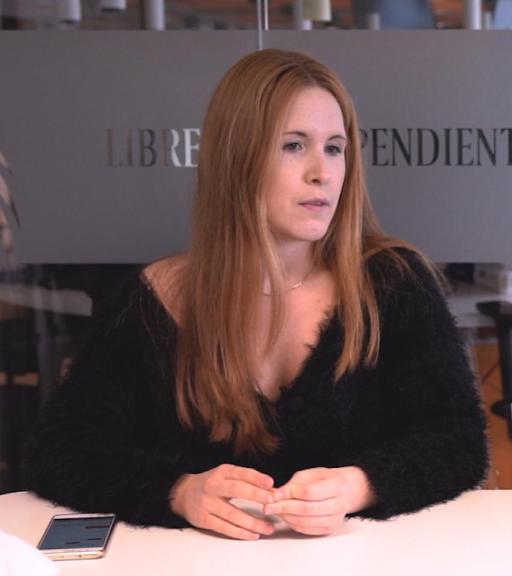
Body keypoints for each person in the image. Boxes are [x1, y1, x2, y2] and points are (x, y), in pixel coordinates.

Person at [25, 49, 488, 540]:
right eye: (293, 146)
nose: (323, 172)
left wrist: (358, 486)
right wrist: (177, 492)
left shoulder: (393, 283)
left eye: (335, 148)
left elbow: (458, 440)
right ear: (236, 157)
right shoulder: (152, 299)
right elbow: (62, 451)